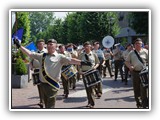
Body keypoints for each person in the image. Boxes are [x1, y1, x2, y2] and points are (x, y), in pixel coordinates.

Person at [13, 38, 92, 108]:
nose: (49, 46)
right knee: (47, 103)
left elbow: (71, 60)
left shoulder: (60, 57)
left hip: (52, 85)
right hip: (43, 84)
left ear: (55, 46)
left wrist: (82, 62)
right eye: (48, 44)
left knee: (50, 105)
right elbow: (30, 53)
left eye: (51, 44)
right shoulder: (42, 56)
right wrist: (20, 46)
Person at [125, 38, 148, 108]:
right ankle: (138, 104)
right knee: (136, 89)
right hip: (135, 73)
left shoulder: (146, 52)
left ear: (142, 44)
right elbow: (126, 61)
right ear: (134, 45)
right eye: (137, 44)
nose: (138, 45)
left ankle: (145, 104)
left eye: (140, 44)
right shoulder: (131, 53)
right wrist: (130, 67)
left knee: (144, 88)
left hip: (144, 73)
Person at [78, 41, 100, 108]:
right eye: (85, 46)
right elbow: (78, 64)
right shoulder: (81, 55)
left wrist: (95, 67)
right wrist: (80, 71)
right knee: (87, 88)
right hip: (84, 73)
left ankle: (92, 103)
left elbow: (98, 63)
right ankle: (89, 102)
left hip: (92, 72)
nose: (87, 48)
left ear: (90, 47)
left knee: (92, 88)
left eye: (88, 46)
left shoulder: (94, 54)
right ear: (84, 47)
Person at [30, 39, 47, 108]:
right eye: (39, 44)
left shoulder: (47, 52)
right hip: (36, 71)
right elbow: (31, 61)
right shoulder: (34, 52)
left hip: (44, 71)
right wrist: (31, 66)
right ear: (37, 45)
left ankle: (45, 100)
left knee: (45, 86)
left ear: (44, 45)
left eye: (41, 44)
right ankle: (41, 101)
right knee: (39, 87)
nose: (40, 45)